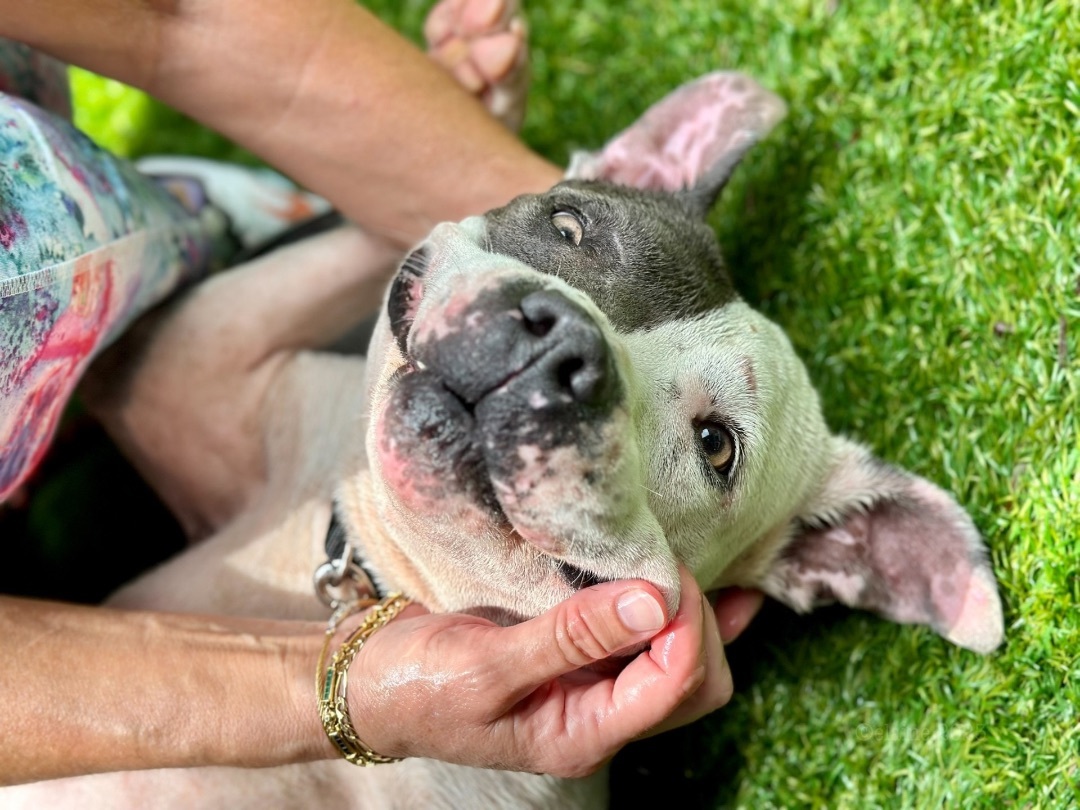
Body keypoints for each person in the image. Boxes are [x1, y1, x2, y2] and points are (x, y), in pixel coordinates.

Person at [0, 0, 763, 787]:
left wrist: (511, 215)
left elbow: (176, 17)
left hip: (77, 250)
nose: (555, 351)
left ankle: (298, 222)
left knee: (149, 325)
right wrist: (344, 692)